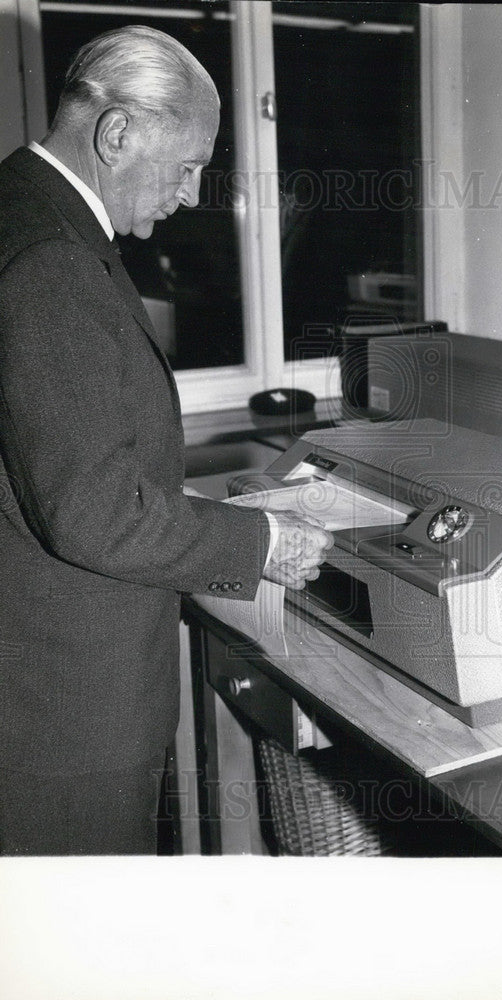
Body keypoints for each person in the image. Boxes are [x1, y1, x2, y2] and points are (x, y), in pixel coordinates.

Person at [0, 26, 333, 856]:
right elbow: (92, 512)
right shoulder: (52, 260)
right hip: (66, 715)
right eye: (185, 167)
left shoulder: (23, 212)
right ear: (116, 134)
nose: (189, 196)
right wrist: (261, 540)